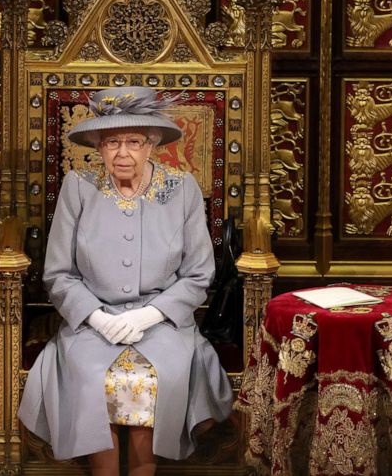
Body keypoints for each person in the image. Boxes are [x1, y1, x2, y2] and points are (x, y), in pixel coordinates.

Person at [18, 87, 233, 475]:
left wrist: (149, 316)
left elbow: (199, 273)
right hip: (90, 324)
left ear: (151, 145)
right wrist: (97, 318)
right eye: (112, 142)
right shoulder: (78, 187)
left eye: (133, 142)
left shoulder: (181, 189)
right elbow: (58, 273)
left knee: (154, 379)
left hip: (164, 324)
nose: (122, 153)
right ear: (98, 146)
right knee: (89, 377)